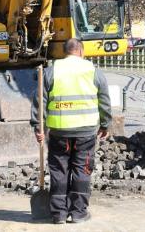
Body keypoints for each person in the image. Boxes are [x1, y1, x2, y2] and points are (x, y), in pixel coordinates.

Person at [31, 38, 112, 224]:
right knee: (82, 170)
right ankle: (78, 213)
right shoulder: (93, 71)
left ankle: (58, 214)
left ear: (65, 52)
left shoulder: (51, 71)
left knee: (59, 171)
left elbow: (39, 101)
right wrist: (105, 124)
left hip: (60, 132)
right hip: (86, 132)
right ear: (81, 52)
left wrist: (39, 126)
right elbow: (104, 101)